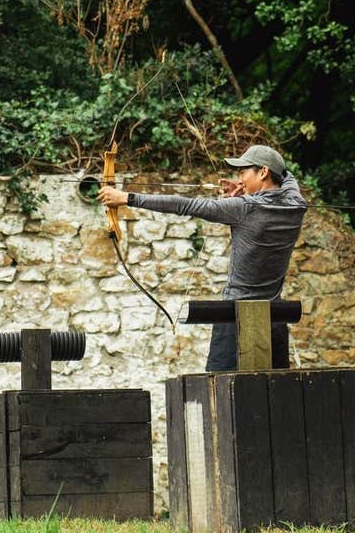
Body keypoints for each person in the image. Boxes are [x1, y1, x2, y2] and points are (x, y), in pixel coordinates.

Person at [98, 144, 307, 371]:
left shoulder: (244, 207)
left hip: (234, 320)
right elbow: (286, 175)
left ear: (263, 172)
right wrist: (247, 186)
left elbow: (186, 205)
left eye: (243, 172)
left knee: (218, 392)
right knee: (274, 392)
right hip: (274, 319)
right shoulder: (296, 203)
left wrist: (127, 197)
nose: (239, 178)